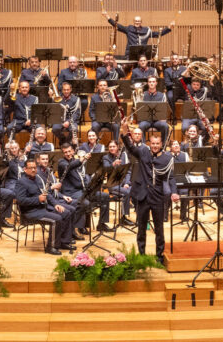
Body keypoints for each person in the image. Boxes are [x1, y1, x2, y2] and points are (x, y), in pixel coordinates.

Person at [121, 120, 179, 263]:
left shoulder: (167, 158)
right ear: (149, 144)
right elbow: (129, 146)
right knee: (141, 229)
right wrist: (124, 131)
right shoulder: (143, 152)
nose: (154, 146)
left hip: (158, 197)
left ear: (161, 144)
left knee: (159, 230)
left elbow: (170, 177)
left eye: (157, 144)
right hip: (142, 197)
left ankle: (159, 256)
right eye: (152, 143)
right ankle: (141, 255)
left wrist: (174, 192)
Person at [15, 157, 74, 255]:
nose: (34, 170)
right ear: (25, 169)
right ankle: (51, 247)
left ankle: (64, 241)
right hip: (31, 212)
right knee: (57, 219)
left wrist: (56, 204)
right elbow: (20, 201)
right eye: (31, 168)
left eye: (34, 167)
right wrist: (37, 199)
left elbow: (46, 194)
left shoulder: (38, 178)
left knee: (66, 213)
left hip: (42, 209)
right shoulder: (21, 182)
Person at [59, 142, 110, 232]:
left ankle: (101, 224)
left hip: (82, 191)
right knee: (85, 203)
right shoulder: (62, 163)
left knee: (104, 196)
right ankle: (74, 228)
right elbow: (69, 167)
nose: (68, 154)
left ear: (73, 151)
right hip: (71, 192)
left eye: (69, 151)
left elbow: (83, 177)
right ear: (63, 154)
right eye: (65, 152)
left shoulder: (75, 161)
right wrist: (81, 160)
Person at [101, 10, 175, 53]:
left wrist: (169, 27)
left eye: (139, 21)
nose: (137, 22)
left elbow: (158, 34)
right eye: (136, 21)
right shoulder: (129, 29)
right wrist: (107, 16)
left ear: (141, 22)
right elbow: (117, 25)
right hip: (130, 54)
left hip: (142, 55)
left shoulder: (146, 31)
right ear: (133, 22)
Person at [136, 76, 169, 140]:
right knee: (141, 126)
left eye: (153, 82)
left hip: (157, 121)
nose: (151, 83)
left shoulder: (162, 95)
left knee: (165, 126)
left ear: (156, 83)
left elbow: (164, 110)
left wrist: (163, 118)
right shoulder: (142, 95)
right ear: (147, 83)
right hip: (146, 120)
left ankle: (163, 146)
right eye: (150, 82)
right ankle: (144, 146)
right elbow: (139, 110)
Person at [51, 81, 82, 146]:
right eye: (64, 90)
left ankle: (66, 144)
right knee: (55, 129)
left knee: (74, 129)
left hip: (71, 120)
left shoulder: (76, 99)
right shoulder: (57, 99)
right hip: (60, 120)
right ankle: (64, 141)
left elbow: (77, 113)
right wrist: (62, 122)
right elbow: (54, 112)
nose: (66, 91)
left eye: (68, 90)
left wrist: (68, 121)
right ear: (62, 90)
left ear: (71, 90)